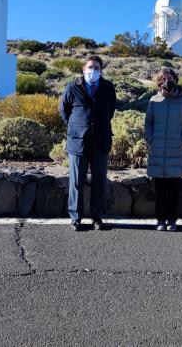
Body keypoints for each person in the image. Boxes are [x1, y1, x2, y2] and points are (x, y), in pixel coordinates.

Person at [59, 55, 116, 231]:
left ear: (101, 70)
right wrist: (77, 125)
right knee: (77, 181)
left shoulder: (107, 87)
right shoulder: (72, 87)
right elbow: (64, 110)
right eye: (90, 67)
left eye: (96, 68)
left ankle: (97, 217)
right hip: (78, 141)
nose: (93, 70)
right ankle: (76, 217)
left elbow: (111, 111)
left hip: (100, 141)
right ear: (83, 69)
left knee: (99, 180)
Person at [145, 67, 182, 232]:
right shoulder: (154, 100)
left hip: (176, 149)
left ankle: (172, 220)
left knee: (174, 191)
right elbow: (148, 123)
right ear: (159, 81)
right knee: (160, 191)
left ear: (175, 79)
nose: (167, 81)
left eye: (170, 78)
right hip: (158, 149)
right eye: (164, 78)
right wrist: (150, 138)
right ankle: (160, 220)